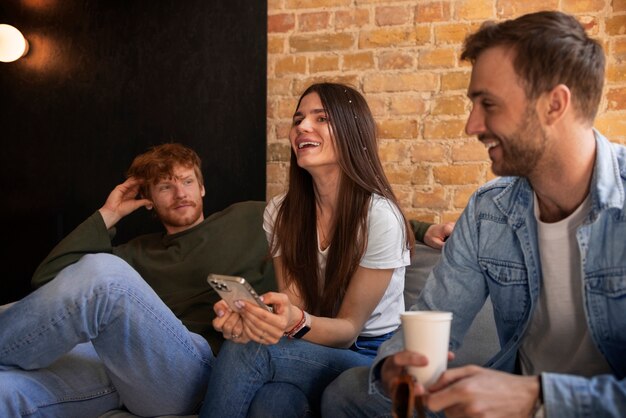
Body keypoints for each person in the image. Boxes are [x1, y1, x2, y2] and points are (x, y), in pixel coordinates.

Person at [322, 10, 626, 418]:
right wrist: (394, 368)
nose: (471, 125)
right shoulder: (488, 211)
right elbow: (428, 319)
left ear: (554, 104)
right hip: (505, 403)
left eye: (488, 104)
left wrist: (537, 397)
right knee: (347, 392)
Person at [199, 82, 452, 418]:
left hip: (370, 356)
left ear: (352, 132)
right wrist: (259, 320)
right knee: (273, 401)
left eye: (321, 118)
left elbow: (348, 330)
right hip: (313, 347)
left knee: (251, 353)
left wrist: (293, 321)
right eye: (299, 119)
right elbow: (297, 303)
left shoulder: (380, 216)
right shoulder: (281, 212)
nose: (303, 126)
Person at [0, 143, 276, 416]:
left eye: (187, 181)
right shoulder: (137, 252)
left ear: (201, 187)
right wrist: (110, 213)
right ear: (149, 201)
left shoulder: (250, 217)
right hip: (123, 372)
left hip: (193, 371)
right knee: (6, 389)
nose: (180, 193)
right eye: (166, 187)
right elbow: (50, 279)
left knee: (105, 272)